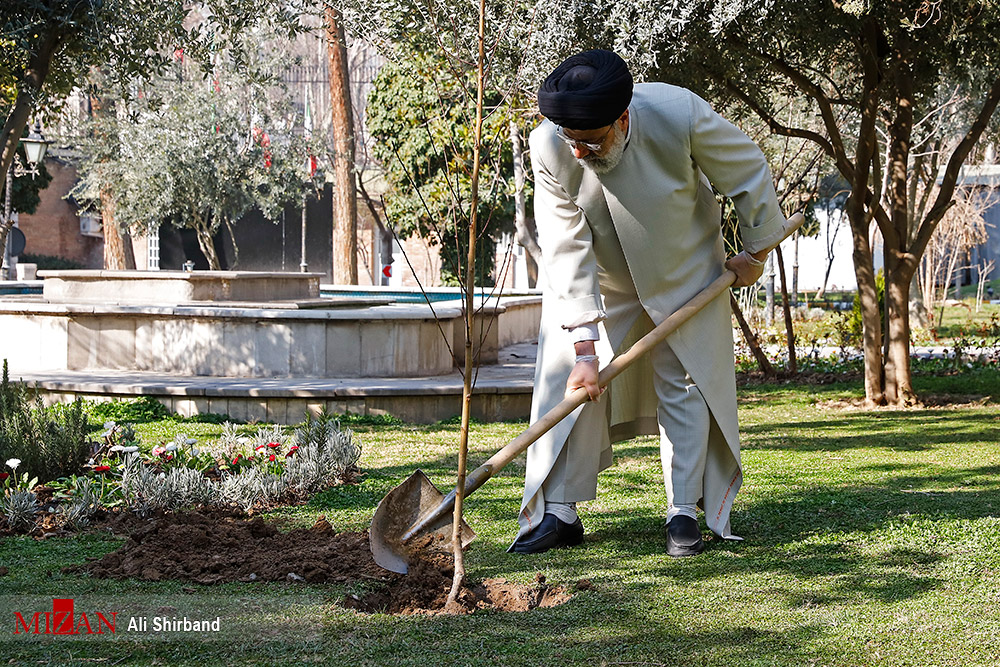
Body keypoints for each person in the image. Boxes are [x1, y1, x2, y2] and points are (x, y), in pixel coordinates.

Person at [509, 49, 786, 557]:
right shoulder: (550, 145)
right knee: (573, 381)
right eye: (571, 141)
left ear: (623, 117)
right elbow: (566, 244)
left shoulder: (678, 113)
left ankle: (683, 511)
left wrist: (755, 251)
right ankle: (559, 513)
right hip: (604, 282)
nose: (578, 154)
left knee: (684, 384)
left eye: (590, 141)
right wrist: (587, 349)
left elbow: (746, 170)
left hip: (685, 275)